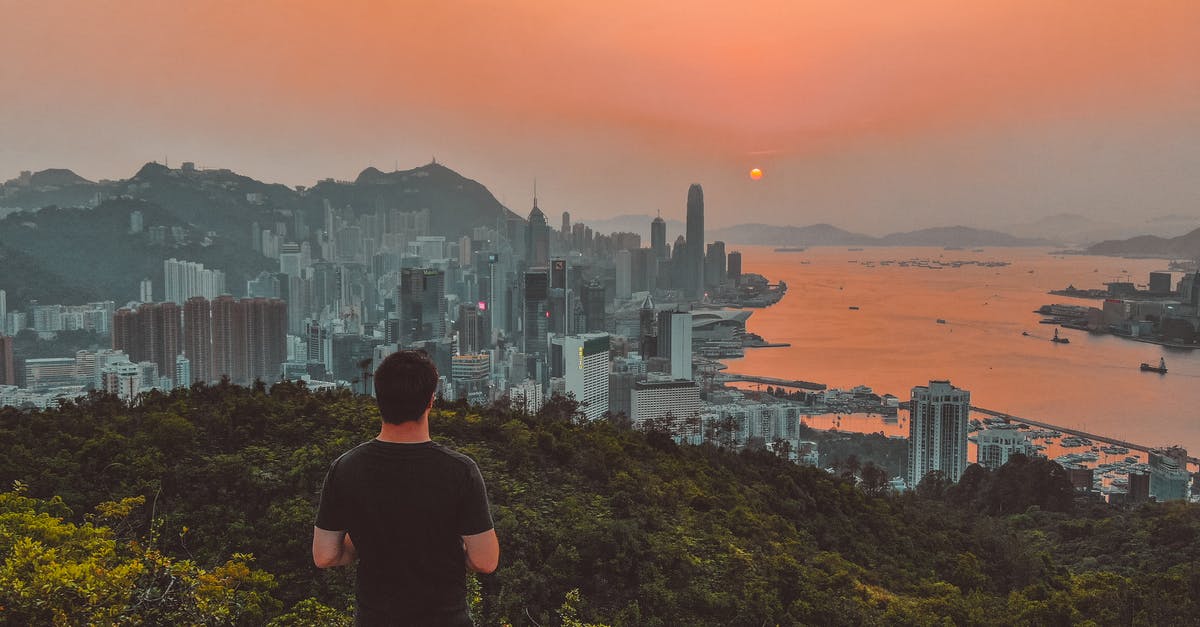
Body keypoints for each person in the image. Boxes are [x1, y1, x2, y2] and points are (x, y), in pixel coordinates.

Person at [313, 350, 499, 626]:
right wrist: (444, 548)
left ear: (379, 399)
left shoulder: (346, 468)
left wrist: (368, 541)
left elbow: (326, 555)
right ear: (431, 401)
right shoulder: (460, 471)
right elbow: (485, 561)